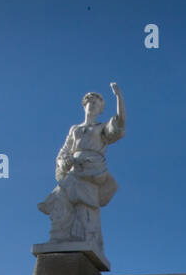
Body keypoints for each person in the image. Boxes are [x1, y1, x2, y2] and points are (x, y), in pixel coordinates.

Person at [39, 84, 126, 252]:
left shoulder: (101, 128)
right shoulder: (75, 129)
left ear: (101, 110)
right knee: (62, 198)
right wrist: (62, 161)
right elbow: (64, 151)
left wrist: (119, 97)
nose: (92, 105)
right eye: (90, 102)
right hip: (73, 169)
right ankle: (60, 235)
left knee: (84, 207)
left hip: (92, 170)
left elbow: (120, 122)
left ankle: (85, 239)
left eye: (96, 104)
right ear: (84, 105)